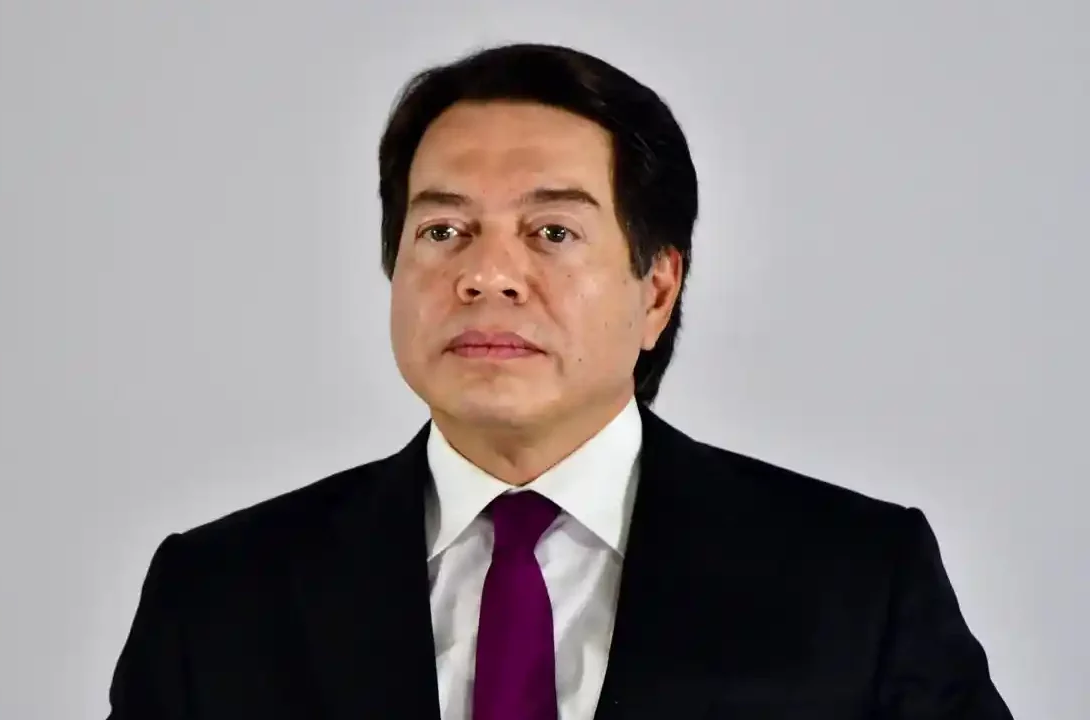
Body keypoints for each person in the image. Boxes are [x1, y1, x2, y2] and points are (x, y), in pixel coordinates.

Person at [106, 43, 1013, 720]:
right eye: (443, 232)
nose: (486, 275)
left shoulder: (857, 580)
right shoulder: (219, 595)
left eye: (552, 233)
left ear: (657, 289)